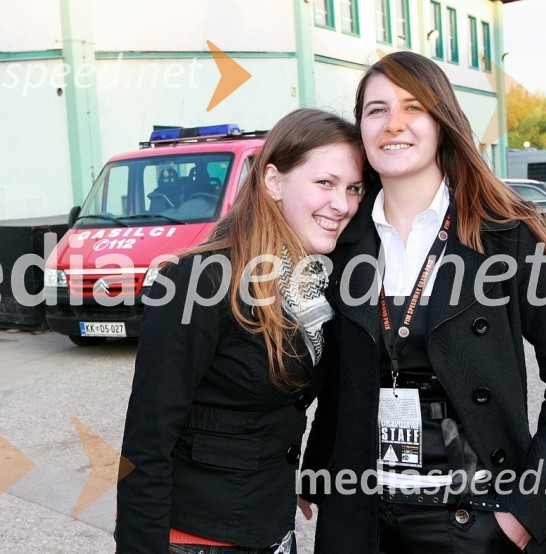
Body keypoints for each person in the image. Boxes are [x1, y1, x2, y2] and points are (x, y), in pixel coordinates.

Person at [298, 52, 546, 553]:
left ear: (442, 121)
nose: (393, 124)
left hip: (480, 522)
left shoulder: (506, 235)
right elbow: (336, 374)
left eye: (412, 107)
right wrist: (317, 467)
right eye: (376, 109)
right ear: (361, 129)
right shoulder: (337, 240)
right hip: (362, 521)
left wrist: (526, 513)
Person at [116, 108, 364, 553]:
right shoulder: (198, 282)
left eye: (353, 189)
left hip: (269, 528)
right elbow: (146, 444)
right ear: (272, 181)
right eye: (325, 183)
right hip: (196, 539)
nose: (342, 204)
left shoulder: (317, 284)